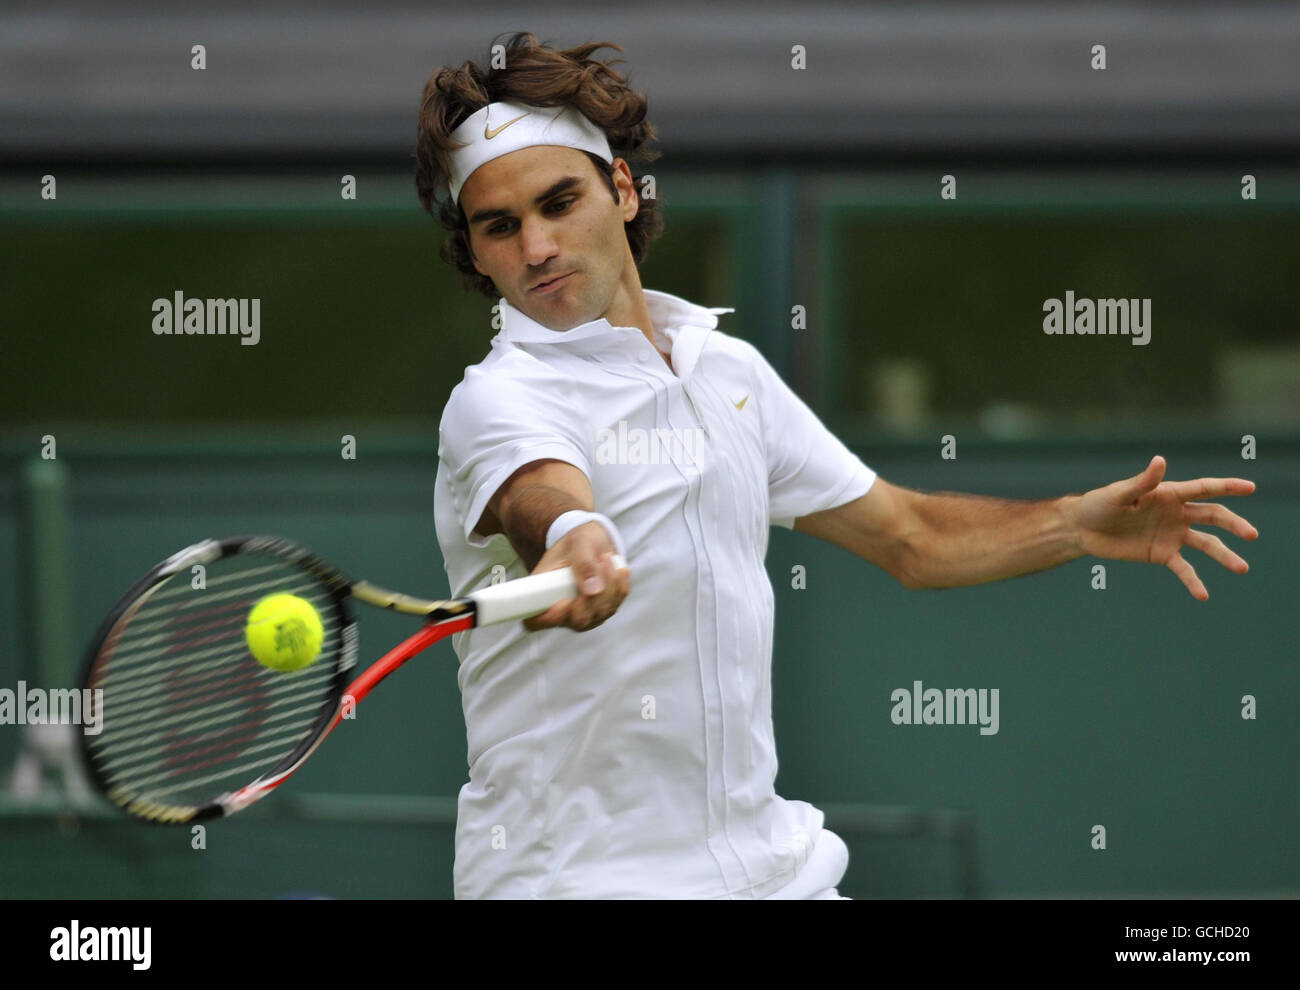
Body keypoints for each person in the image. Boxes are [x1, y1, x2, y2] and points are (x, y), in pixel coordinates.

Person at [413, 33, 1258, 899]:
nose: (539, 246)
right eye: (501, 227)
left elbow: (910, 538)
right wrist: (573, 533)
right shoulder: (496, 401)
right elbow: (539, 492)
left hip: (776, 874)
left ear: (622, 190)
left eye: (560, 204)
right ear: (477, 254)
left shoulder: (726, 373)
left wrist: (1073, 523)